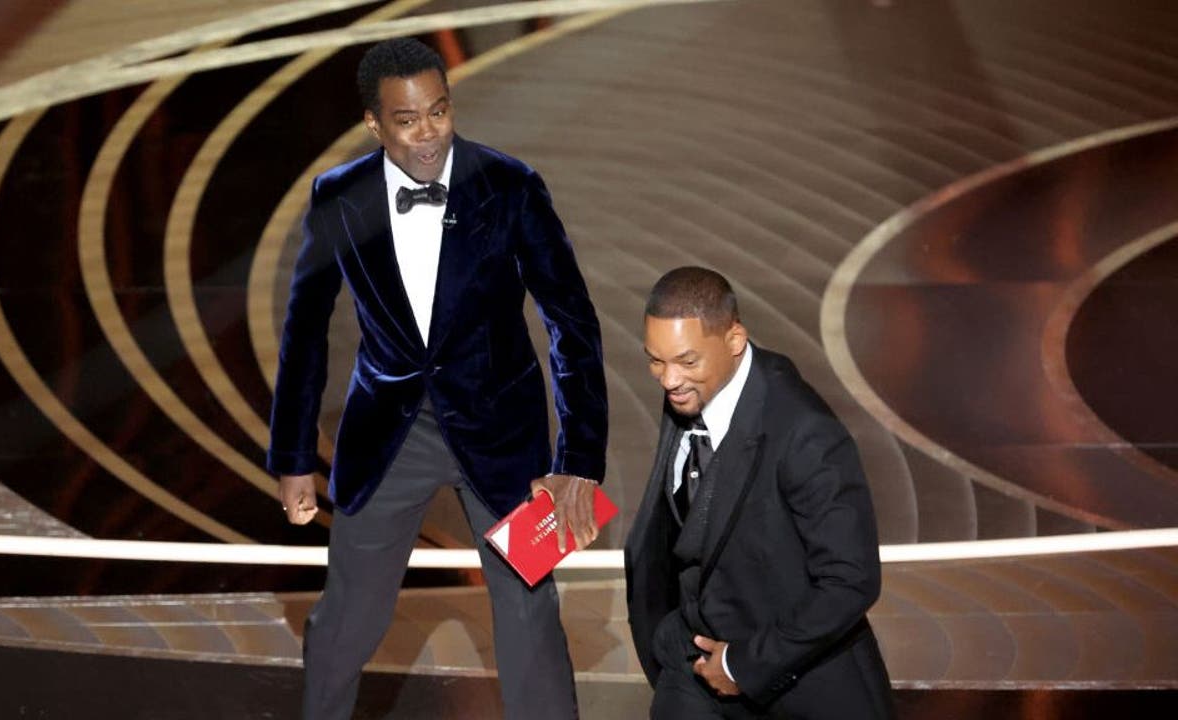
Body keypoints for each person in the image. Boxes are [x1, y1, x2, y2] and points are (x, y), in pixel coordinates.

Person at [267, 38, 609, 720]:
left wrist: (577, 459)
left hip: (503, 432)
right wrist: (294, 456)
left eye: (439, 111)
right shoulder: (339, 196)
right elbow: (304, 331)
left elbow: (572, 322)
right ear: (374, 123)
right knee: (350, 615)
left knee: (529, 616)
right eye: (407, 119)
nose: (428, 132)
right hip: (389, 434)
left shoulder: (511, 185)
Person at [624, 267, 894, 719]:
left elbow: (851, 579)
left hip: (793, 678)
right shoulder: (694, 389)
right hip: (692, 658)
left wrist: (742, 664)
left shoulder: (805, 432)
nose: (668, 379)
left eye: (686, 361)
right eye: (656, 360)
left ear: (734, 340)